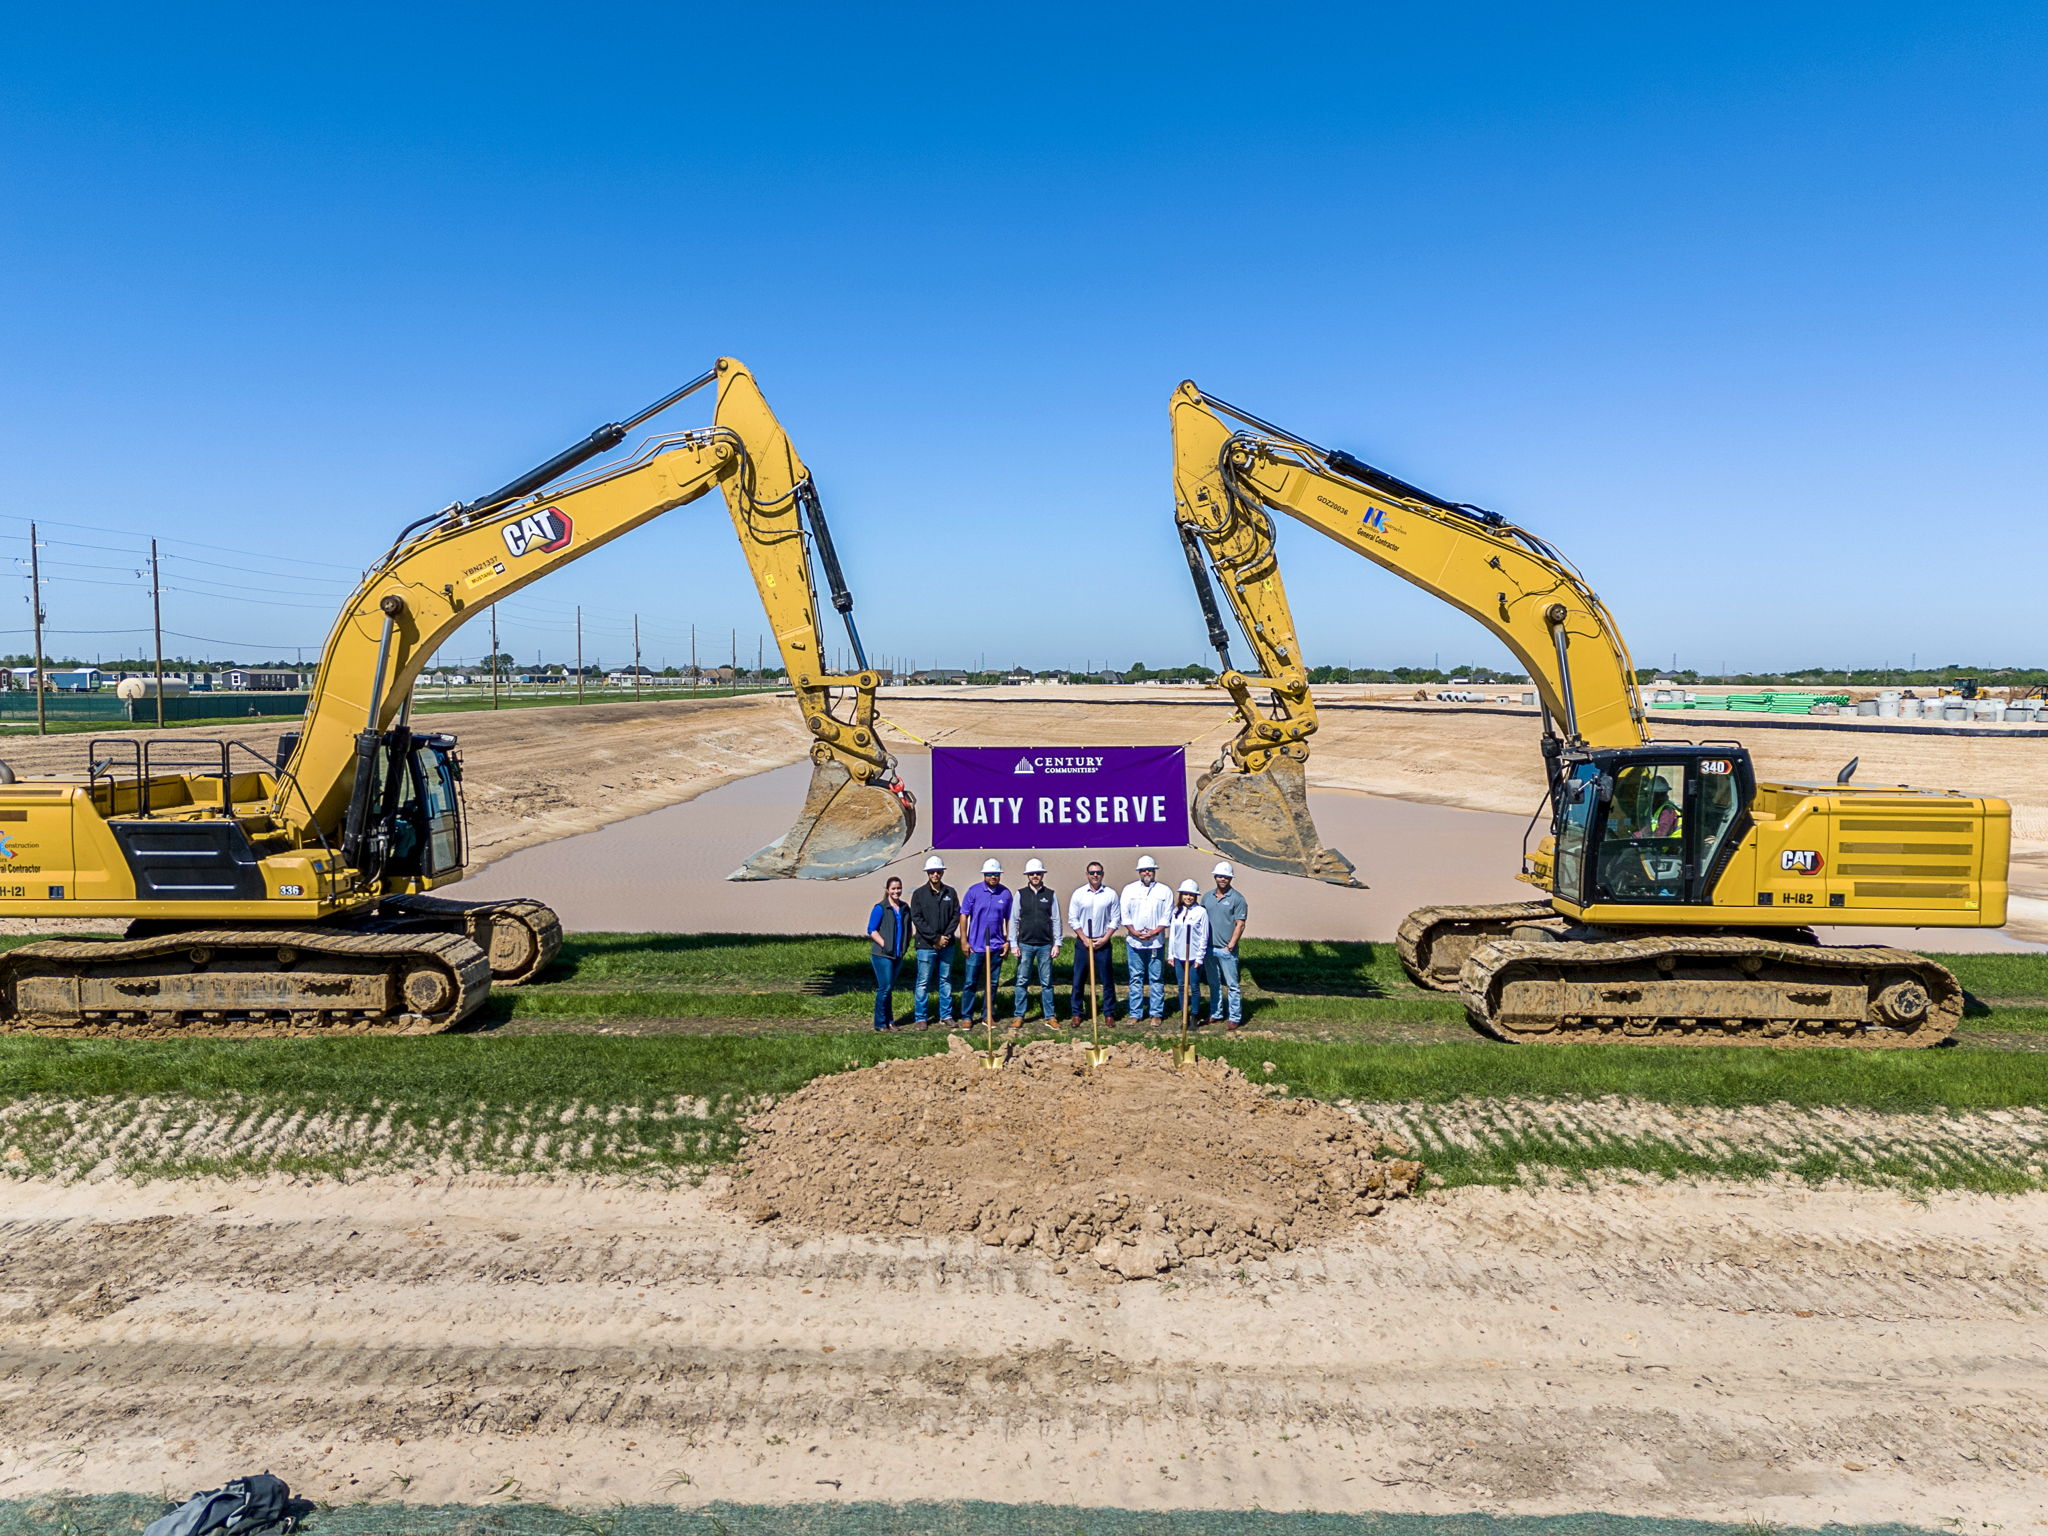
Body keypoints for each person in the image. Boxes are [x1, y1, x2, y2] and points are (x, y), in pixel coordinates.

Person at [957, 857, 1013, 1027]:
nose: (993, 877)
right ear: (984, 875)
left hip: (996, 946)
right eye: (989, 874)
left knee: (993, 983)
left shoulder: (1005, 893)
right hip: (976, 946)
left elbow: (1010, 918)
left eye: (996, 874)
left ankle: (987, 1014)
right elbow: (964, 915)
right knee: (970, 982)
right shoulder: (973, 891)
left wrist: (1007, 940)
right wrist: (964, 940)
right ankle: (967, 1016)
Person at [1119, 854, 1173, 1021]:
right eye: (1144, 870)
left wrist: (1155, 931)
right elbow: (1124, 913)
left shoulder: (1164, 891)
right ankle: (1135, 1013)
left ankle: (1156, 1013)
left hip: (1155, 942)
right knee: (1136, 977)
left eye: (1150, 870)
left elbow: (1167, 915)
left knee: (1156, 978)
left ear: (1154, 871)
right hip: (1134, 942)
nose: (1147, 873)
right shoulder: (1129, 890)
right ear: (1139, 872)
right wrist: (1134, 932)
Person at [1009, 857, 1062, 1025]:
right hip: (1025, 944)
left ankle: (1050, 1016)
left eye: (1038, 873)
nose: (1035, 876)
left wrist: (1057, 943)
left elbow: (1056, 920)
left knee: (1046, 982)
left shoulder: (1050, 895)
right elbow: (1014, 920)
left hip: (1045, 945)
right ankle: (1019, 1015)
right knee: (1022, 980)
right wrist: (1013, 944)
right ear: (1028, 876)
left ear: (1042, 875)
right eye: (1032, 874)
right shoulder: (1020, 894)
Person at [908, 855, 960, 1027]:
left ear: (942, 872)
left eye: (938, 871)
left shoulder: (950, 893)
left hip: (947, 945)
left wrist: (945, 937)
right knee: (923, 982)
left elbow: (955, 915)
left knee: (945, 980)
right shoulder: (919, 894)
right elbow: (917, 918)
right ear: (928, 873)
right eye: (932, 872)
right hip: (925, 945)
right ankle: (921, 1018)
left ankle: (946, 1015)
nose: (935, 874)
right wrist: (935, 938)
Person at [1066, 860, 1119, 1022]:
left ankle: (1109, 1013)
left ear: (1102, 874)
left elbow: (1115, 919)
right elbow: (1073, 919)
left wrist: (1104, 939)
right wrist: (1084, 938)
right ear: (1087, 874)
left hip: (1102, 942)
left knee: (1107, 979)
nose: (1095, 875)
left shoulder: (1110, 894)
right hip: (1083, 943)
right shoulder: (1079, 894)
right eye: (1092, 872)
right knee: (1079, 978)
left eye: (1098, 872)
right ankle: (1077, 1012)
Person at [1200, 861, 1249, 1029]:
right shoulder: (1207, 897)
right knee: (1214, 983)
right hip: (1209, 949)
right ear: (1215, 877)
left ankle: (1235, 1016)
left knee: (1232, 985)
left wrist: (1230, 946)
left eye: (1226, 877)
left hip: (1226, 950)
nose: (1223, 879)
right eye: (1220, 876)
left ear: (1230, 878)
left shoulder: (1237, 899)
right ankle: (1216, 1013)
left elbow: (1240, 924)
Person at [865, 875, 909, 1030]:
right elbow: (871, 929)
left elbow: (907, 929)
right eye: (893, 888)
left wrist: (904, 946)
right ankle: (880, 1023)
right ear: (887, 890)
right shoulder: (881, 908)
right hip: (882, 955)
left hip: (898, 954)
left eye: (899, 888)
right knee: (884, 988)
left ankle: (890, 1021)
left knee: (890, 988)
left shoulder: (904, 908)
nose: (896, 891)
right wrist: (885, 944)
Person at [1166, 878, 1210, 1024]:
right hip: (1179, 955)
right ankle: (1183, 1011)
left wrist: (1199, 957)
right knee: (1181, 985)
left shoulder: (1201, 912)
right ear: (1181, 895)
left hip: (1193, 955)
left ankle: (1195, 1014)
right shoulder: (1176, 911)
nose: (1188, 897)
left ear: (1195, 896)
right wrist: (1170, 954)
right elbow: (1172, 934)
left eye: (1191, 895)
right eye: (1185, 894)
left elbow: (1204, 936)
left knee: (1194, 985)